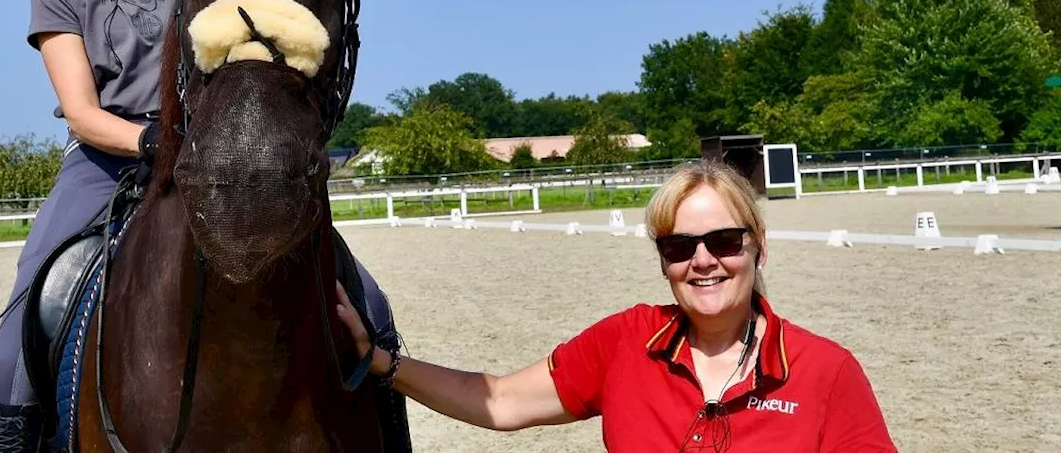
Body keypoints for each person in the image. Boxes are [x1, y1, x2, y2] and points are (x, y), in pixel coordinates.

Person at [0, 0, 403, 452]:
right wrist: (154, 139)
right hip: (108, 163)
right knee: (16, 344)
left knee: (368, 308)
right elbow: (84, 111)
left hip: (221, 153)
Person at [335, 159, 898, 452]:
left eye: (723, 242)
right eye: (679, 247)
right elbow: (500, 402)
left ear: (758, 247)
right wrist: (380, 360)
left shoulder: (826, 372)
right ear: (663, 261)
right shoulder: (627, 343)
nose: (703, 262)